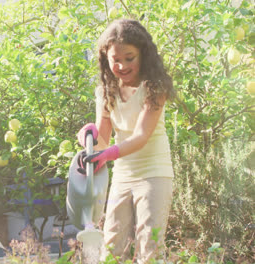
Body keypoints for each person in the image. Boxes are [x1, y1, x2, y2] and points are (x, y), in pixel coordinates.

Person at [76, 19, 175, 263]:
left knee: (149, 244)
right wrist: (88, 138)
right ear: (105, 58)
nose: (121, 65)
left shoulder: (155, 86)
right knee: (111, 245)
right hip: (123, 175)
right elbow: (102, 138)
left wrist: (106, 154)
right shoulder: (106, 90)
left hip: (155, 172)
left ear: (143, 53)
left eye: (129, 58)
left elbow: (141, 136)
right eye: (115, 59)